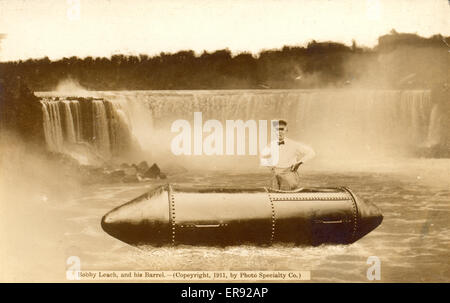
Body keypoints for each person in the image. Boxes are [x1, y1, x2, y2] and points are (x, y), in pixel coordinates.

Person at [260, 119, 315, 190]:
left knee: (286, 191)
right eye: (277, 130)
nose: (279, 132)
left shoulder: (294, 144)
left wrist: (299, 163)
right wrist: (271, 167)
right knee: (273, 192)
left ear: (286, 130)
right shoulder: (271, 145)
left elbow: (312, 152)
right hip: (276, 174)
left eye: (282, 129)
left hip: (290, 174)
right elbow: (263, 157)